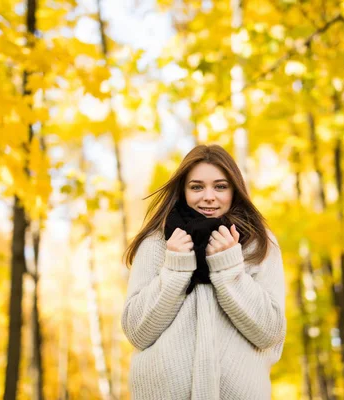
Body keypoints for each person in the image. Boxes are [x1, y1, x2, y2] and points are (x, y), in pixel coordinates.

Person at [121, 144, 286, 400]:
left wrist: (228, 266)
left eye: (220, 186)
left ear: (234, 190)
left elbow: (269, 333)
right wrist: (175, 268)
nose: (208, 196)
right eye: (196, 186)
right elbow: (137, 333)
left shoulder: (259, 244)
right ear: (183, 191)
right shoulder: (156, 244)